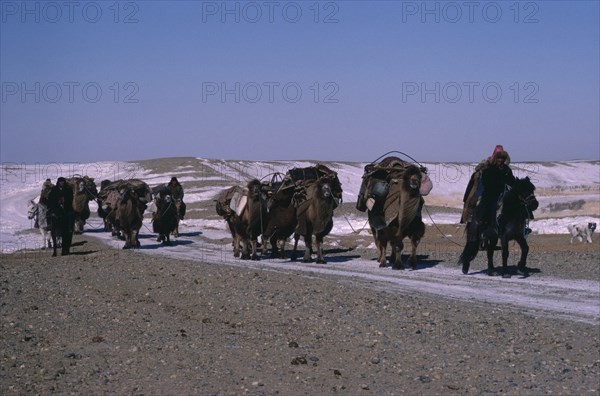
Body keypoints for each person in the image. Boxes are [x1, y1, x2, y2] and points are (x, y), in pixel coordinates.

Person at [47, 177, 75, 255]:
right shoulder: (54, 189)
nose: (62, 183)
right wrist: (56, 202)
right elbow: (50, 199)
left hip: (67, 208)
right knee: (48, 214)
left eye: (63, 181)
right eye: (60, 182)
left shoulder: (68, 189)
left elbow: (71, 198)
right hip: (56, 208)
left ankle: (70, 228)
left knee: (71, 216)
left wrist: (65, 201)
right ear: (58, 182)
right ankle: (48, 226)